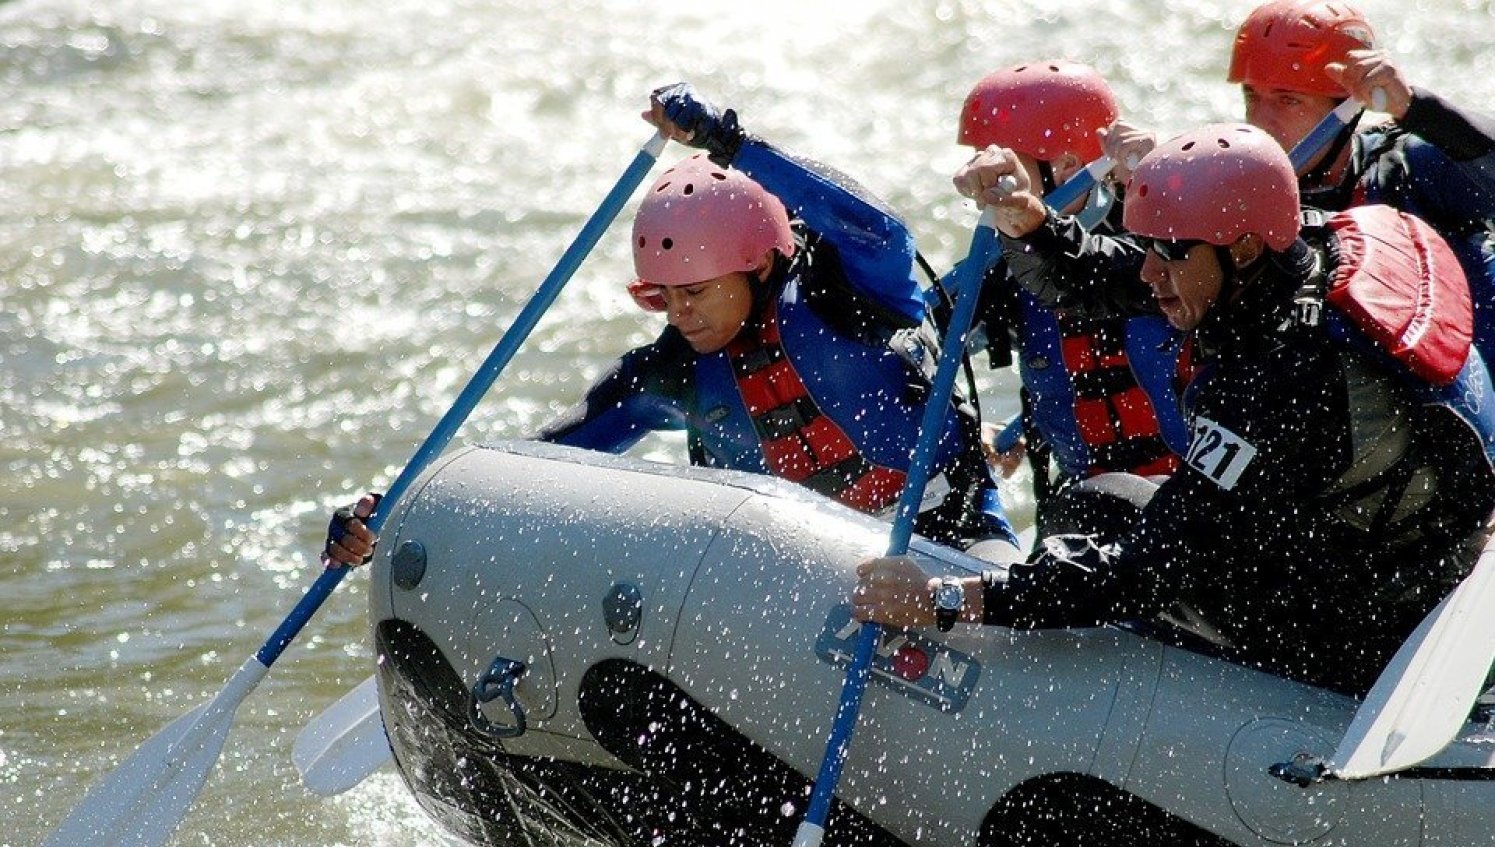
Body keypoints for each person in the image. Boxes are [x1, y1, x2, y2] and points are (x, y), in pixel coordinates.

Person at [853, 123, 1495, 695]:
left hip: (1367, 626)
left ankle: (1106, 712)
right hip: (1410, 555)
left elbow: (1142, 573)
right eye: (1152, 248)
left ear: (1240, 249)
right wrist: (1031, 221)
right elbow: (1117, 276)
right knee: (1097, 499)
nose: (1152, 274)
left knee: (1095, 517)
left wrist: (946, 600)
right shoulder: (1316, 243)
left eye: (1169, 253)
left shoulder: (1278, 382)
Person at [324, 84, 1019, 570]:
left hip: (948, 538)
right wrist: (395, 515)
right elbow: (529, 467)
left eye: (695, 292)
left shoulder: (856, 298)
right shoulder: (670, 373)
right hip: (807, 575)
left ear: (756, 268)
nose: (679, 313)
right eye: (661, 297)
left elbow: (875, 223)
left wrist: (729, 141)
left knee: (1008, 602)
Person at [950, 60, 1190, 539]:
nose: (986, 182)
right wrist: (973, 426)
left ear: (1066, 166)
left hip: (1194, 506)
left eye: (1004, 165)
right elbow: (921, 329)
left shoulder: (1172, 241)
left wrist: (1167, 188)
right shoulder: (1006, 263)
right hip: (1089, 517)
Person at [1227, 0, 1495, 363]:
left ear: (1346, 108)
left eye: (1287, 100)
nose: (1260, 121)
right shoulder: (1233, 197)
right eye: (1252, 96)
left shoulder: (1410, 167)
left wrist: (1416, 108)